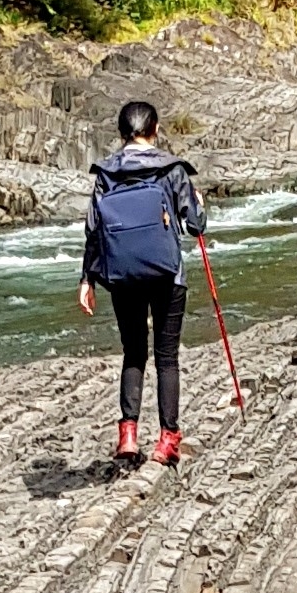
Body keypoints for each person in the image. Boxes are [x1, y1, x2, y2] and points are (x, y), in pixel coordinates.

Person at [78, 98, 208, 468]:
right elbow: (195, 226)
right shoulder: (172, 169)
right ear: (155, 129)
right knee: (167, 358)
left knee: (134, 353)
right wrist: (197, 203)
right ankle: (167, 440)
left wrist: (87, 279)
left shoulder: (105, 173)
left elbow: (94, 230)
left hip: (122, 276)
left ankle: (128, 436)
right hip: (168, 274)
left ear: (121, 134)